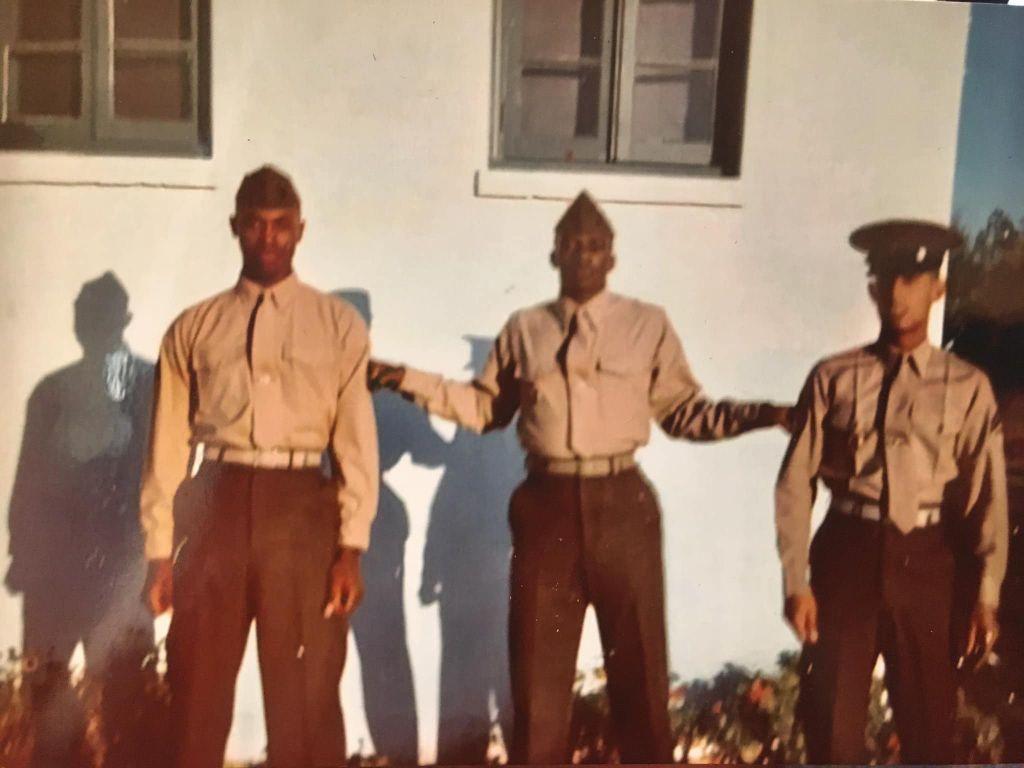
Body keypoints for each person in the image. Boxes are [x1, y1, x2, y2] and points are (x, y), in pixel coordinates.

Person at [370, 191, 790, 764]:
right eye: (572, 245)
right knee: (539, 693)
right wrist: (404, 377)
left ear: (612, 257)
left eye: (595, 246)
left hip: (625, 508)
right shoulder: (524, 328)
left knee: (639, 686)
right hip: (547, 513)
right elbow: (484, 409)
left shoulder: (648, 325)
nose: (584, 256)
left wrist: (766, 413)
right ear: (555, 255)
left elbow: (686, 413)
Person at [139, 166, 378, 768]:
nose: (268, 238)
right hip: (215, 505)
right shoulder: (195, 327)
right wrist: (159, 553)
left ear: (300, 230)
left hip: (302, 511)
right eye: (254, 225)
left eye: (280, 226)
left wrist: (351, 546)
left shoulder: (338, 326)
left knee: (305, 697)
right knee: (197, 692)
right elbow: (167, 445)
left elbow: (354, 442)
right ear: (235, 229)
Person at [775, 219, 1009, 763]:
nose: (900, 294)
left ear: (938, 288)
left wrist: (987, 595)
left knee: (930, 727)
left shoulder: (969, 386)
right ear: (874, 289)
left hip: (927, 561)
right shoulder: (834, 376)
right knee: (832, 726)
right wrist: (795, 579)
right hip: (846, 555)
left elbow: (987, 499)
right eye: (888, 280)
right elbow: (794, 483)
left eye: (914, 278)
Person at [7, 273, 154, 767]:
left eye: (103, 313)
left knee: (127, 701)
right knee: (47, 695)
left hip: (122, 568)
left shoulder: (151, 385)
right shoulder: (51, 392)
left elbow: (166, 476)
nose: (92, 323)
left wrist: (158, 560)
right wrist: (22, 556)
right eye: (84, 313)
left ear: (124, 320)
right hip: (56, 569)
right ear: (76, 322)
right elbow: (27, 482)